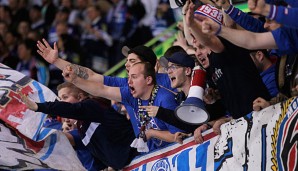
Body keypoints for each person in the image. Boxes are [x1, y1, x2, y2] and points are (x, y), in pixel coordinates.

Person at [184, 1, 271, 139]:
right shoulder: (211, 62)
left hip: (263, 116)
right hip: (246, 124)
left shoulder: (227, 45)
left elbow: (208, 41)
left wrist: (191, 23)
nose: (197, 51)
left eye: (198, 34)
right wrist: (218, 96)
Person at [61, 61, 187, 152]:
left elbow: (178, 136)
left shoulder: (164, 99)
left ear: (148, 80)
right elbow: (101, 89)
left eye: (134, 77)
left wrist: (152, 133)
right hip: (156, 155)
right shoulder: (132, 96)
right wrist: (75, 80)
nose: (129, 81)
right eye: (128, 77)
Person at [20, 82, 137, 170]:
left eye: (65, 97)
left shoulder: (91, 105)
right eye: (60, 99)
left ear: (80, 97)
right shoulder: (82, 126)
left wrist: (38, 107)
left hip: (138, 156)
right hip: (127, 165)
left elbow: (70, 109)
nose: (62, 102)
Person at [140, 51, 226, 134]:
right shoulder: (180, 98)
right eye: (168, 68)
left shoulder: (206, 92)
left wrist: (160, 112)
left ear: (187, 71)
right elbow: (189, 126)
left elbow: (193, 122)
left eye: (173, 67)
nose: (169, 72)